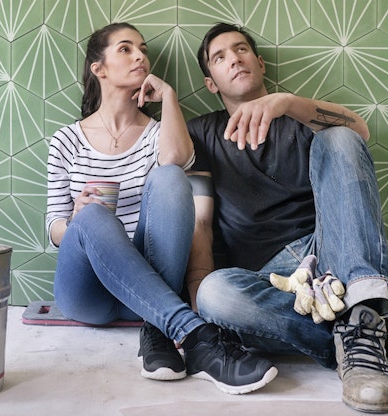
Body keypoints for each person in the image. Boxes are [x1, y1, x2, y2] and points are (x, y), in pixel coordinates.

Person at [184, 23, 388, 413]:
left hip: (331, 258)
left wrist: (287, 103)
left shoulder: (301, 118)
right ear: (210, 83)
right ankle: (386, 337)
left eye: (241, 50)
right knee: (213, 293)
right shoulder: (201, 133)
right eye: (220, 57)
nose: (234, 59)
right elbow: (200, 225)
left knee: (338, 136)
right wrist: (196, 317)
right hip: (269, 280)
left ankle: (360, 316)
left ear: (260, 63)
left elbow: (360, 131)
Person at [44, 22, 277, 395]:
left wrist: (167, 95)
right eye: (125, 49)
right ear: (98, 68)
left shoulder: (157, 132)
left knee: (170, 177)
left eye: (143, 49)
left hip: (149, 291)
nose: (140, 56)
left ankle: (160, 328)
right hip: (87, 294)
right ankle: (194, 334)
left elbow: (175, 160)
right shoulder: (65, 141)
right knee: (91, 216)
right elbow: (54, 227)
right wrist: (75, 218)